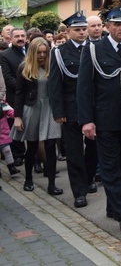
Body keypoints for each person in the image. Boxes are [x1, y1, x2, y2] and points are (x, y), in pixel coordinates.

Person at [77, 7, 121, 232]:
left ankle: (114, 206)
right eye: (117, 25)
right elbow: (84, 89)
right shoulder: (93, 50)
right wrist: (87, 120)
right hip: (104, 119)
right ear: (107, 27)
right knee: (110, 167)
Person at [48, 12, 97, 209]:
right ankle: (79, 191)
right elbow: (55, 84)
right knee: (74, 152)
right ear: (68, 31)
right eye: (77, 30)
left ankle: (89, 176)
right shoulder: (59, 53)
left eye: (84, 29)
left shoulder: (94, 48)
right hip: (70, 109)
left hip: (93, 108)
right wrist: (58, 111)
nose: (82, 32)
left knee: (94, 149)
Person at [11, 38, 62, 195]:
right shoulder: (24, 68)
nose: (42, 55)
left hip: (50, 108)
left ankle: (52, 184)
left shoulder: (53, 66)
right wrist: (17, 117)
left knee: (50, 146)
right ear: (32, 52)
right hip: (32, 108)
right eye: (39, 52)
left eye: (44, 52)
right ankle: (28, 179)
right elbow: (19, 93)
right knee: (32, 147)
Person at [1, 27, 27, 166]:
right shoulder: (5, 55)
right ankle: (18, 154)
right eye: (17, 36)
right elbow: (7, 77)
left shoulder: (32, 50)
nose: (20, 38)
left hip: (32, 96)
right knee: (16, 125)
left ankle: (35, 158)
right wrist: (24, 87)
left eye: (23, 35)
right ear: (11, 39)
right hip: (15, 95)